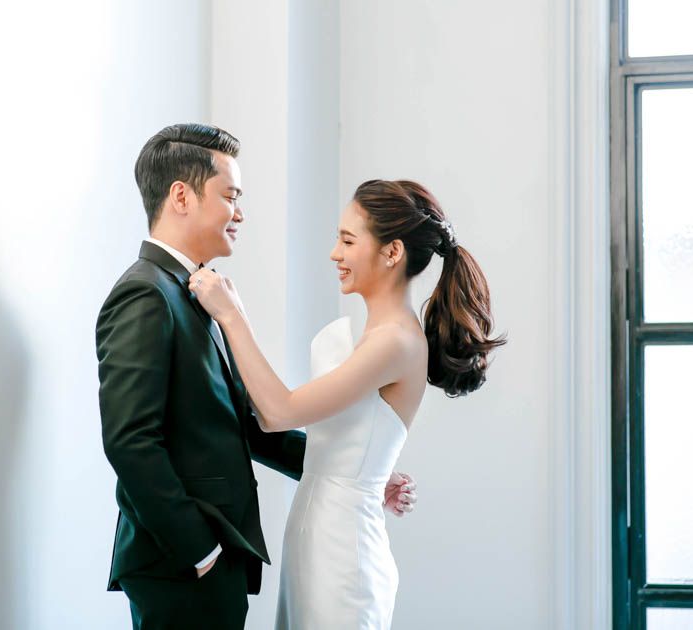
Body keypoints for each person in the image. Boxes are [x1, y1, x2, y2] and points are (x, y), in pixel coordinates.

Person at [96, 124, 418, 630]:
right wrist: (198, 549)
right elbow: (129, 441)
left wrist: (354, 471)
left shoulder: (192, 289)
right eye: (231, 196)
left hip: (218, 556)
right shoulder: (146, 293)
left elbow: (243, 422)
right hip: (182, 563)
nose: (240, 213)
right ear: (181, 196)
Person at [189, 179, 506, 629]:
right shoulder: (374, 336)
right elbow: (338, 435)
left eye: (348, 241)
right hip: (316, 538)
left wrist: (231, 316)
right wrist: (372, 472)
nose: (334, 254)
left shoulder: (395, 341)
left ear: (392, 252)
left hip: (343, 556)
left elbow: (278, 412)